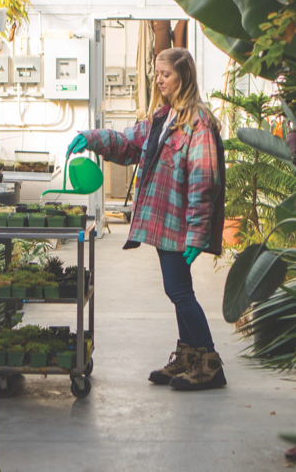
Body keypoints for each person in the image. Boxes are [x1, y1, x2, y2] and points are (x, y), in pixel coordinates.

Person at [67, 48, 227, 391]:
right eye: (156, 73)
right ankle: (188, 356)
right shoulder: (163, 118)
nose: (159, 79)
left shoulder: (198, 124)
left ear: (183, 77)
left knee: (179, 292)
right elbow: (129, 144)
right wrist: (93, 139)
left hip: (181, 225)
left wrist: (198, 234)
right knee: (179, 291)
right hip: (164, 221)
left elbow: (204, 181)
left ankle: (210, 363)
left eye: (165, 74)